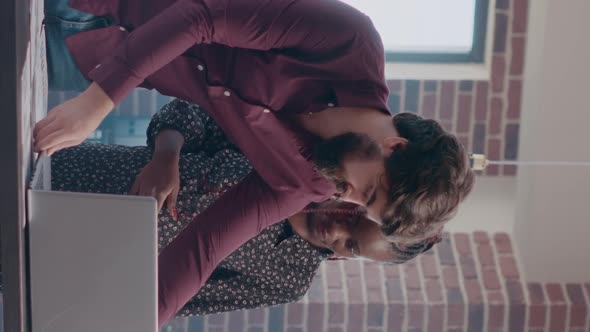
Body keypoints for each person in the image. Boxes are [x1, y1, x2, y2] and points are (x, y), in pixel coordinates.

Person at [35, 0, 475, 325]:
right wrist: (100, 102)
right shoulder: (351, 43)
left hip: (86, 56)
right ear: (394, 147)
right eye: (371, 191)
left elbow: (205, 247)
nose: (349, 199)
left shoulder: (309, 183)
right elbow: (201, 16)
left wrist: (138, 322)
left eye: (365, 208)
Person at [45, 98, 437, 316]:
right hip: (77, 173)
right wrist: (166, 158)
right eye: (353, 217)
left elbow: (178, 301)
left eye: (350, 245)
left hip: (76, 262)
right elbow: (190, 112)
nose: (337, 230)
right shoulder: (295, 158)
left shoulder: (288, 280)